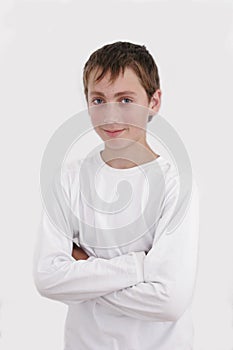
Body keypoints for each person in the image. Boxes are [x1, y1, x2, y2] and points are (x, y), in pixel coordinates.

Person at [33, 41, 200, 350]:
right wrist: (136, 267)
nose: (110, 115)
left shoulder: (176, 183)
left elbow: (169, 301)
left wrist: (84, 269)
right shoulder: (68, 178)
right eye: (98, 100)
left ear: (153, 102)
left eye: (125, 99)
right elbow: (47, 278)